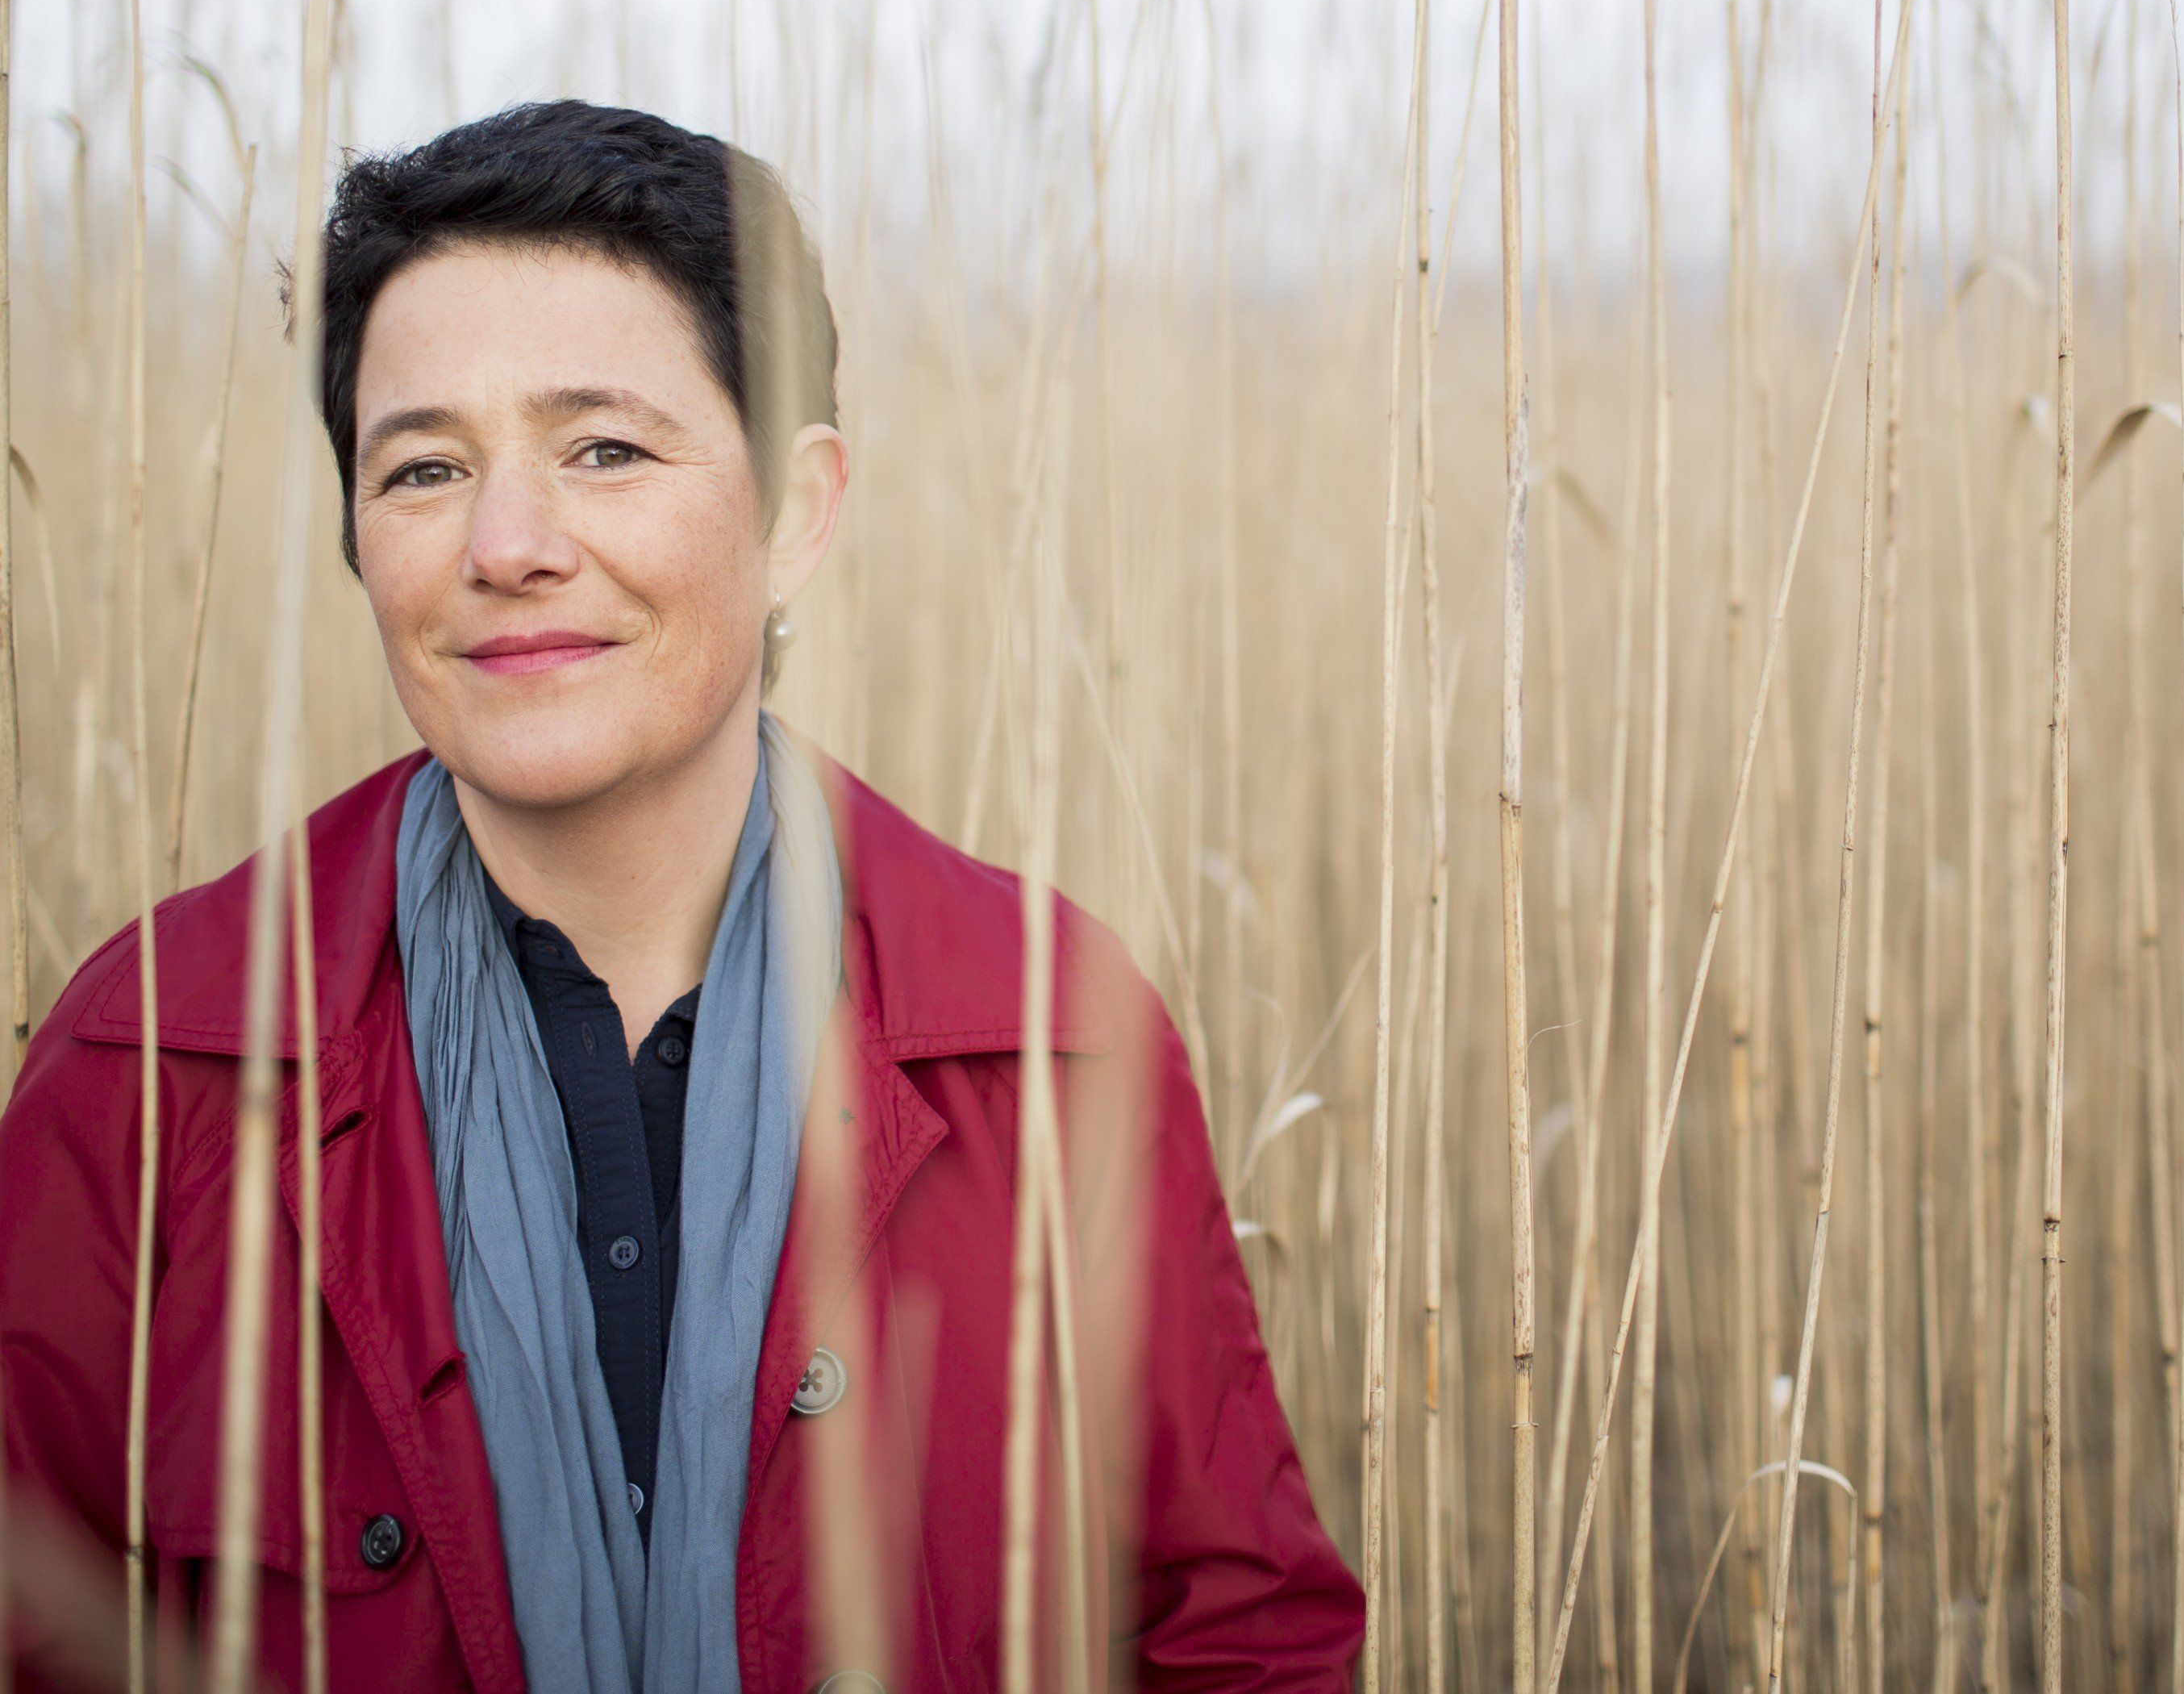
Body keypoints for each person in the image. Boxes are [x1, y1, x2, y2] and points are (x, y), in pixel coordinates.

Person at [0, 102, 1364, 1692]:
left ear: (796, 513)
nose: (507, 545)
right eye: (426, 467)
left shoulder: (1042, 1042)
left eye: (606, 450)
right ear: (360, 541)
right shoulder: (159, 1061)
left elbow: (1235, 1637)